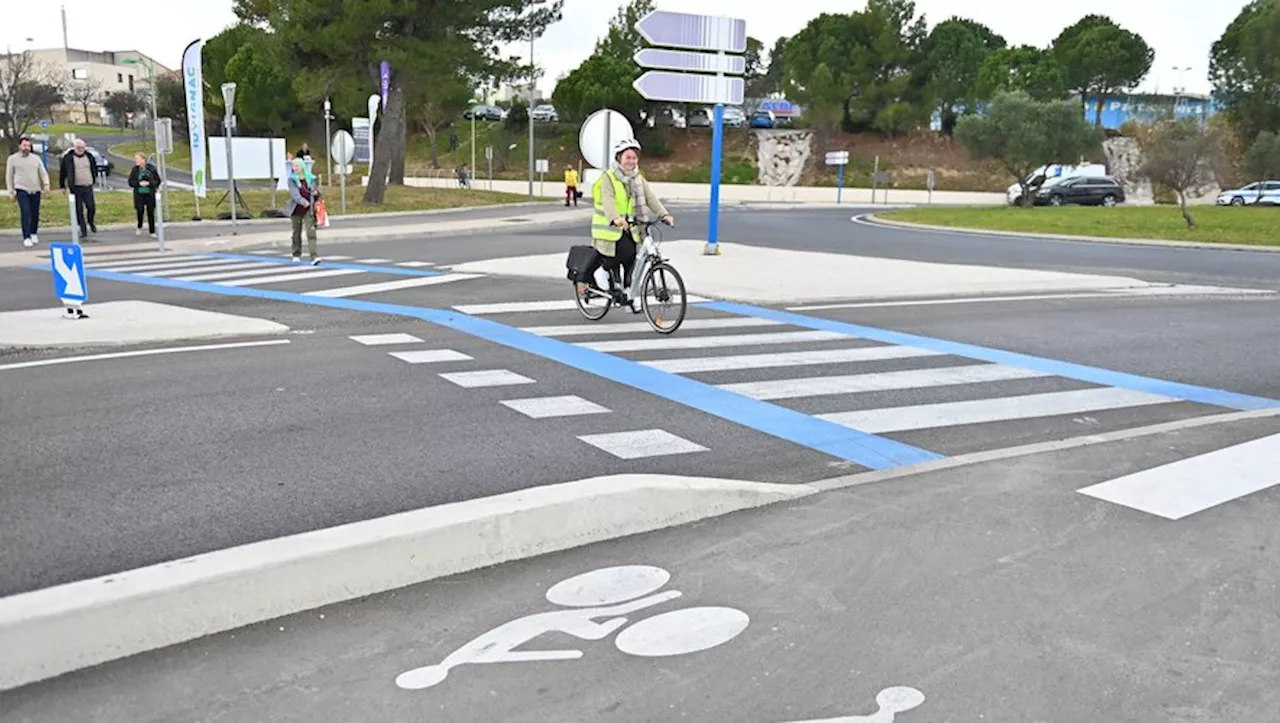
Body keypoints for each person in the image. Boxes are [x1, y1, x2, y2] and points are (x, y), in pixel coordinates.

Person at [582, 138, 674, 310]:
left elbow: (650, 198)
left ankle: (628, 294)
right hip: (609, 228)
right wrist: (615, 218)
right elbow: (607, 199)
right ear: (619, 159)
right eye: (627, 158)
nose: (631, 161)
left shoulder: (638, 178)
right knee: (625, 251)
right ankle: (601, 271)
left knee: (633, 260)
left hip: (630, 227)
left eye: (634, 158)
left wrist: (664, 214)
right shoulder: (609, 177)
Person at [5, 137, 51, 248]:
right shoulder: (13, 159)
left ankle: (33, 232)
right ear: (20, 146)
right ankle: (26, 237)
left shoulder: (36, 159)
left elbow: (43, 172)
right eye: (25, 145)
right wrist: (11, 192)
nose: (27, 148)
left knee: (35, 213)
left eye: (29, 146)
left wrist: (46, 184)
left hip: (35, 189)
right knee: (26, 213)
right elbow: (9, 176)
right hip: (21, 189)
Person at [60, 138, 98, 238]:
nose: (81, 149)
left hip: (88, 186)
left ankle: (91, 222)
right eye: (79, 147)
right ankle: (83, 230)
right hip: (75, 188)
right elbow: (63, 172)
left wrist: (94, 179)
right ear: (74, 147)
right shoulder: (68, 158)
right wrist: (62, 186)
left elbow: (94, 169)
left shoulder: (89, 156)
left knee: (91, 207)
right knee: (78, 210)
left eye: (82, 147)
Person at [285, 158, 321, 264]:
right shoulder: (291, 180)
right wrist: (303, 202)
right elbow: (295, 194)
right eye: (294, 166)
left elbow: (317, 193)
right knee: (296, 232)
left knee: (311, 232)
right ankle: (296, 254)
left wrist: (316, 194)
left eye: (297, 166)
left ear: (302, 167)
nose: (295, 168)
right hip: (296, 209)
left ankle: (314, 256)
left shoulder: (311, 178)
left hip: (309, 210)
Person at [127, 152, 161, 237]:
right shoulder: (135, 169)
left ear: (143, 159)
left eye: (138, 158)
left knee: (150, 212)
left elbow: (157, 181)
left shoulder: (151, 169)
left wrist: (149, 183)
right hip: (139, 194)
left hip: (149, 193)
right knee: (140, 210)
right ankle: (139, 226)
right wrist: (139, 183)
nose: (136, 160)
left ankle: (152, 231)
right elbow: (131, 182)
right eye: (135, 159)